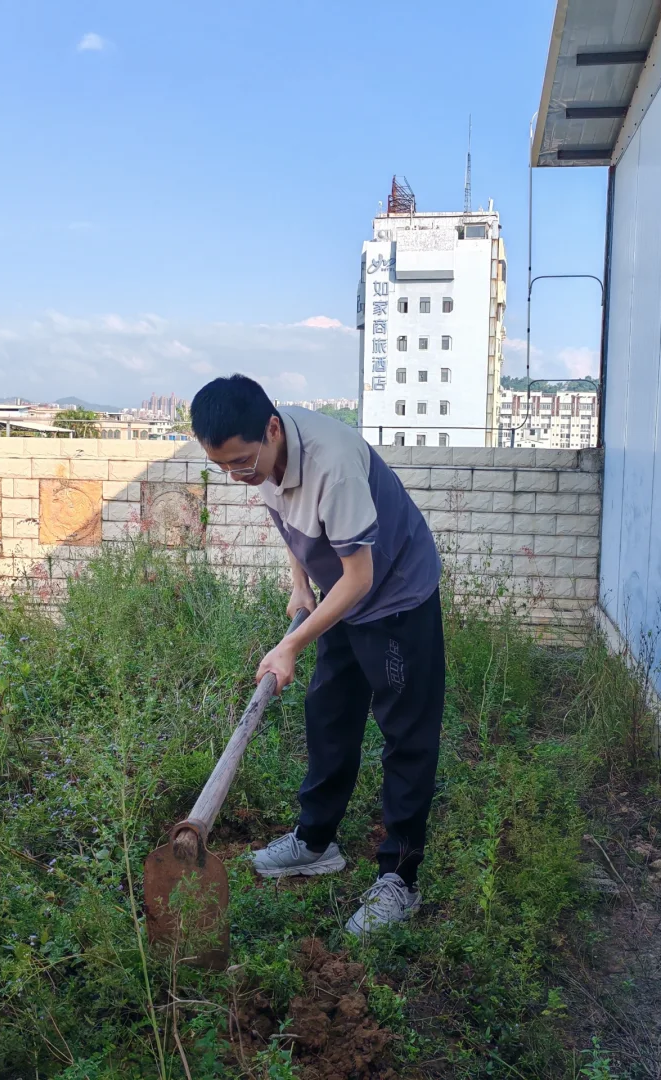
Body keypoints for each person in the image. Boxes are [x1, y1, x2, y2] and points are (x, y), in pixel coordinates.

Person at [189, 374, 445, 936]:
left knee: (406, 735)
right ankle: (316, 841)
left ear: (272, 429)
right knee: (329, 713)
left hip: (396, 594)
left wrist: (289, 645)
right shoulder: (263, 454)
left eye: (241, 464)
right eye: (223, 466)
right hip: (340, 597)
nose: (237, 477)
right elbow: (290, 518)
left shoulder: (332, 464)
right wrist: (300, 583)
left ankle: (401, 879)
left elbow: (360, 577)